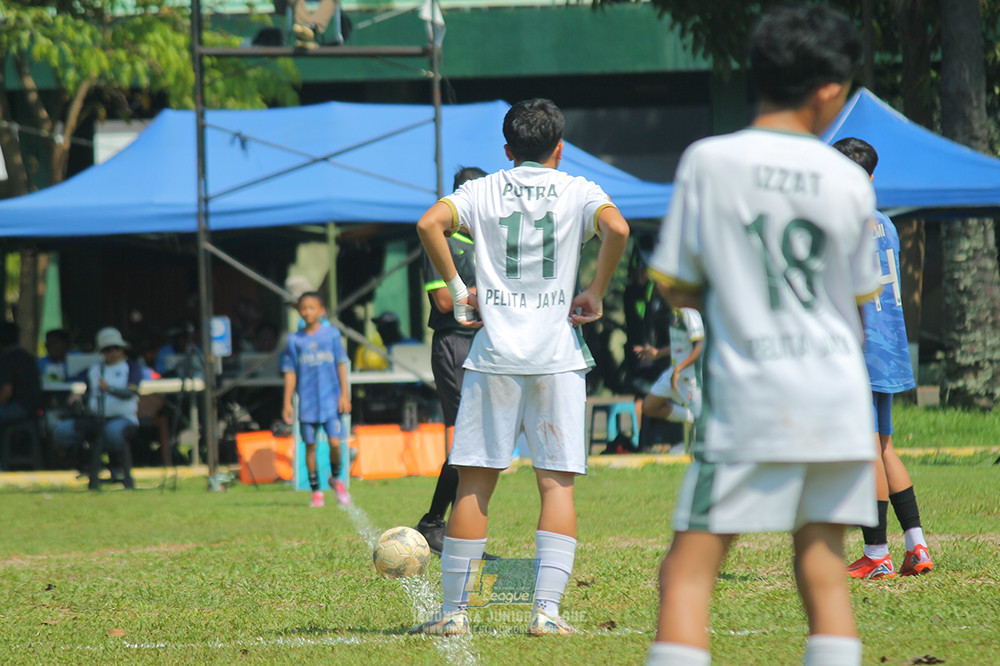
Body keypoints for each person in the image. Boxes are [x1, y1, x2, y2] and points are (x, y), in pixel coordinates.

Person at [645, 7, 879, 666]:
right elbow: (858, 293)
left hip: (751, 391)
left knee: (689, 573)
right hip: (837, 395)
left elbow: (677, 280)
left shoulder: (710, 160)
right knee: (824, 564)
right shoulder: (848, 179)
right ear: (829, 90)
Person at [411, 98, 629, 636]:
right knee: (556, 486)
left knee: (474, 487)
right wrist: (596, 292)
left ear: (506, 150)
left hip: (495, 357)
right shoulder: (579, 188)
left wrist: (462, 292)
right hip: (557, 358)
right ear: (560, 148)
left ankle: (455, 615)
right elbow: (618, 230)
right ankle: (546, 615)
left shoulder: (481, 189)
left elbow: (428, 224)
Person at [833, 137, 934, 580]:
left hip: (861, 351)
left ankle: (877, 555)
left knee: (866, 451)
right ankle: (918, 546)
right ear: (872, 178)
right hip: (890, 347)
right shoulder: (885, 224)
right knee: (885, 446)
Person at [413, 166, 487, 555]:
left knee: (485, 441)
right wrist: (491, 295)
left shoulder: (488, 241)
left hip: (486, 343)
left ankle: (455, 531)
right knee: (469, 438)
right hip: (454, 343)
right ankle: (434, 524)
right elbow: (444, 301)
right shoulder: (441, 240)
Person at [281, 291, 352, 507]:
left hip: (331, 402)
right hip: (308, 404)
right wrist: (287, 402)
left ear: (321, 310)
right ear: (298, 311)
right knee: (310, 446)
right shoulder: (295, 340)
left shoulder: (331, 335)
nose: (307, 312)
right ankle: (316, 491)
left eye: (312, 307)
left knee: (335, 443)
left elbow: (341, 364)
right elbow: (290, 371)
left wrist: (345, 394)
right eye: (303, 308)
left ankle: (336, 479)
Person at [52, 327, 142, 490]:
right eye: (107, 350)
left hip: (123, 418)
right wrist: (77, 398)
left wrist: (110, 389)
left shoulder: (132, 367)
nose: (113, 352)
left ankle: (117, 470)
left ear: (122, 349)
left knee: (112, 434)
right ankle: (87, 466)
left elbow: (131, 392)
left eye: (116, 348)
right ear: (101, 352)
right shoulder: (95, 370)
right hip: (96, 417)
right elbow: (89, 394)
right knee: (62, 432)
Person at [633, 305, 703, 446]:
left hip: (689, 377)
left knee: (703, 425)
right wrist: (657, 353)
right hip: (673, 371)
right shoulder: (673, 312)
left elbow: (700, 347)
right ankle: (690, 417)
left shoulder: (689, 313)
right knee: (649, 406)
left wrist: (680, 369)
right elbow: (680, 345)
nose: (658, 286)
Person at [0, 321, 42, 426]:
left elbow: (6, 393)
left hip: (19, 408)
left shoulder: (7, 359)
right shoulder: (27, 357)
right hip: (34, 406)